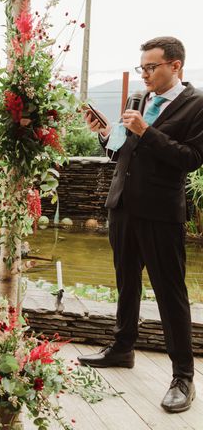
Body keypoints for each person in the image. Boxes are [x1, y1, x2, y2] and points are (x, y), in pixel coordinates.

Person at [79, 36, 202, 413]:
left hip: (161, 213)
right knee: (125, 281)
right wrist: (104, 133)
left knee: (170, 291)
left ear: (175, 66)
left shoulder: (197, 104)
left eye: (151, 67)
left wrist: (147, 133)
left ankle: (183, 375)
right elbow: (121, 150)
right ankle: (122, 348)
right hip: (123, 207)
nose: (145, 74)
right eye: (142, 68)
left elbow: (192, 158)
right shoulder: (141, 100)